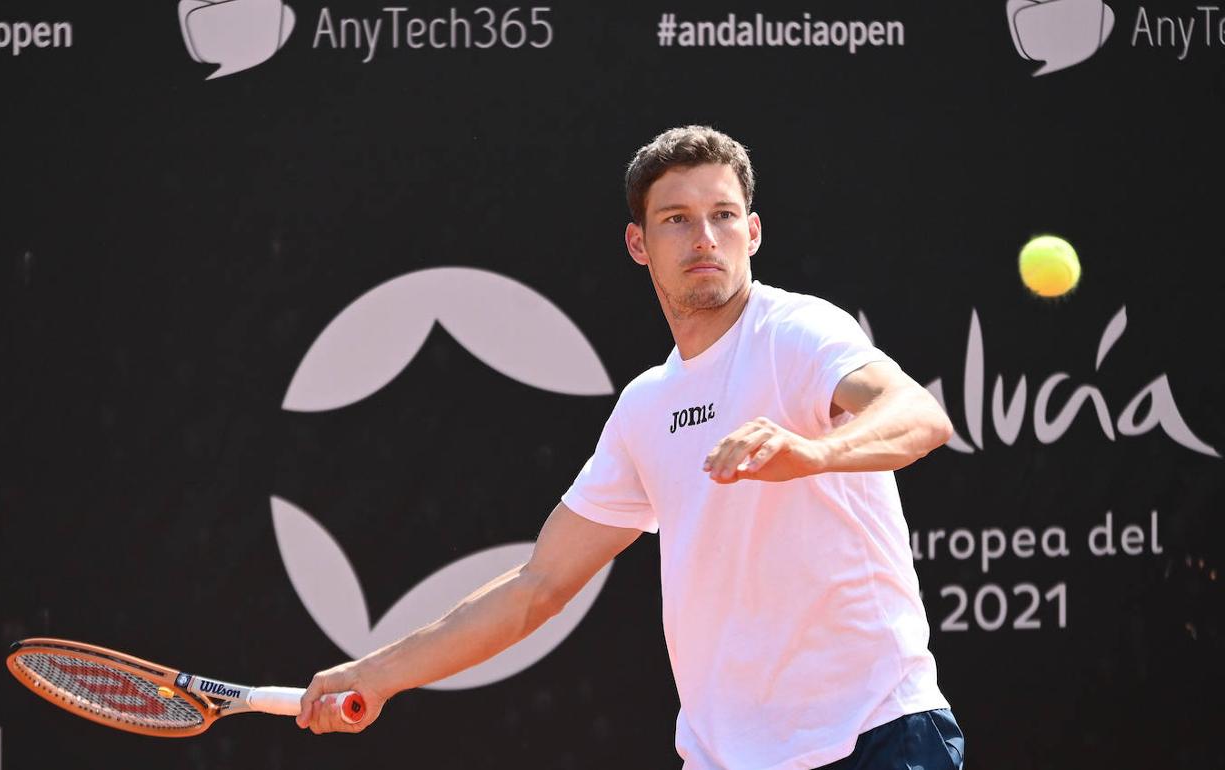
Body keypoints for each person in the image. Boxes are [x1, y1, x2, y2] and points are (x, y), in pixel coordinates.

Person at [297, 125, 965, 770]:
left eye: (724, 215)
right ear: (638, 242)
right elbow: (539, 585)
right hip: (724, 758)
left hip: (876, 735)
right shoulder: (645, 407)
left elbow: (917, 415)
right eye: (676, 219)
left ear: (753, 232)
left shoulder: (798, 331)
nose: (705, 237)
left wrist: (813, 454)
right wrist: (376, 675)